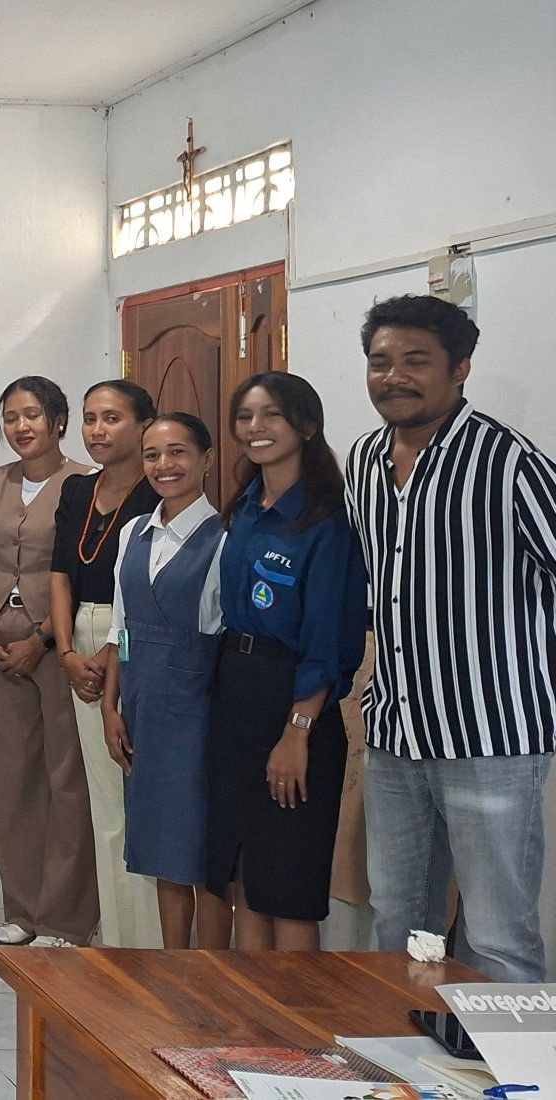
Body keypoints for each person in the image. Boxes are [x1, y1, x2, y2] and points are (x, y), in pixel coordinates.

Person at [349, 295, 556, 982]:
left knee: (497, 936)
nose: (394, 377)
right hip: (395, 734)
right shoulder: (365, 461)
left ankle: (508, 1056)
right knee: (399, 919)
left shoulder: (509, 462)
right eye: (380, 362)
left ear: (460, 368)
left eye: (416, 361)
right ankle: (412, 1044)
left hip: (490, 739)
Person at [207, 372, 365, 951]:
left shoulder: (326, 519)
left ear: (306, 425)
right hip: (236, 693)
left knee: (288, 884)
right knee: (245, 875)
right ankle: (251, 1006)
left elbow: (327, 640)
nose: (256, 427)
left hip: (294, 700)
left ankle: (295, 1008)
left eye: (271, 414)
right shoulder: (246, 506)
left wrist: (297, 732)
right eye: (245, 416)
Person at [0, 376, 97, 948]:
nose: (21, 426)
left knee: (66, 779)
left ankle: (65, 919)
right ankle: (21, 909)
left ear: (58, 420)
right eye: (11, 417)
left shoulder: (86, 483)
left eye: (33, 415)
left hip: (59, 644)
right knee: (9, 779)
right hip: (0, 644)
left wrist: (42, 639)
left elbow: (82, 572)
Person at [100, 413, 229, 949]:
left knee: (203, 851)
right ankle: (173, 966)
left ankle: (213, 973)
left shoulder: (225, 538)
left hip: (199, 709)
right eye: (152, 455)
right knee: (160, 846)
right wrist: (110, 707)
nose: (164, 465)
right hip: (142, 705)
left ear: (206, 459)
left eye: (177, 452)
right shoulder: (133, 532)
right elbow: (120, 628)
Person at [49, 379, 162, 949]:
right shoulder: (77, 490)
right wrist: (67, 652)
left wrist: (105, 653)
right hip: (79, 636)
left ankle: (151, 940)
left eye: (112, 418)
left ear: (144, 425)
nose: (97, 430)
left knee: (138, 789)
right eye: (90, 418)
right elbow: (59, 575)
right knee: (105, 800)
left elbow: (145, 589)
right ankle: (117, 936)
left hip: (134, 638)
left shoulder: (158, 491)